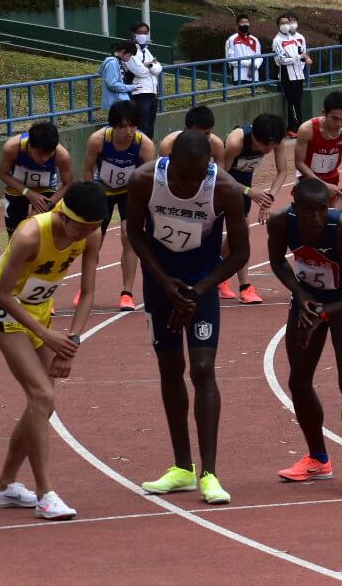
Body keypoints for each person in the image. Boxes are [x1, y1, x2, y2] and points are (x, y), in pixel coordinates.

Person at [125, 130, 251, 504]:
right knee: (169, 367)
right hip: (160, 282)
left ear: (208, 169)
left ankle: (210, 473)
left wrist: (200, 289)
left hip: (201, 284)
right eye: (181, 176)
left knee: (202, 369)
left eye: (196, 178)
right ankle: (182, 467)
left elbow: (241, 253)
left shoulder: (224, 188)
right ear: (170, 163)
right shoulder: (145, 180)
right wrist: (165, 283)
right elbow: (134, 232)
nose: (187, 184)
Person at [0, 180, 106, 521]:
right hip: (5, 315)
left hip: (40, 314)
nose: (85, 236)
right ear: (64, 215)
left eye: (93, 229)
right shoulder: (29, 235)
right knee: (42, 397)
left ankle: (6, 486)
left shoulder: (91, 235)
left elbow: (87, 291)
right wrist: (44, 334)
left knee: (43, 403)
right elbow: (3, 295)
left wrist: (72, 342)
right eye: (81, 228)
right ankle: (45, 494)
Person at [267, 177, 342, 497]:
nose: (316, 218)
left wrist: (326, 313)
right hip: (308, 300)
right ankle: (318, 459)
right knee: (298, 381)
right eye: (309, 212)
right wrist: (299, 293)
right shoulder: (280, 222)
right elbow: (277, 260)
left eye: (322, 211)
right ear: (296, 209)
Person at [81, 101, 155, 311]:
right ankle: (86, 288)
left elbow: (149, 177)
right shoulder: (98, 140)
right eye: (123, 126)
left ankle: (127, 293)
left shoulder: (144, 144)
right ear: (113, 126)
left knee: (128, 236)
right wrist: (90, 196)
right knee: (94, 239)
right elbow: (87, 169)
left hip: (129, 192)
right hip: (101, 189)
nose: (129, 131)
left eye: (133, 125)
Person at [219, 112, 284, 305]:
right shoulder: (235, 142)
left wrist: (268, 198)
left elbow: (283, 172)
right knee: (219, 234)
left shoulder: (275, 140)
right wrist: (249, 191)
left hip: (244, 185)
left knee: (239, 235)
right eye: (264, 146)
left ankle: (229, 279)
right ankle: (237, 283)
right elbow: (220, 177)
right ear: (254, 137)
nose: (268, 150)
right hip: (219, 186)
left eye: (273, 146)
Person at [280, 91, 342, 206]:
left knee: (333, 219)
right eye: (334, 118)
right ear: (324, 113)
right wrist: (324, 185)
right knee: (310, 218)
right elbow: (299, 163)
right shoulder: (307, 129)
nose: (339, 123)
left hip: (332, 178)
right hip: (307, 179)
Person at [0, 121, 73, 238]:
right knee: (15, 236)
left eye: (49, 154)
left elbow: (68, 184)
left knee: (38, 231)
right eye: (40, 153)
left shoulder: (62, 156)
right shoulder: (12, 148)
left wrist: (49, 203)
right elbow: (3, 174)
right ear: (30, 145)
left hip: (45, 190)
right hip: (16, 188)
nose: (44, 158)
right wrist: (28, 193)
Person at [273, 12, 311, 134]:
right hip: (287, 74)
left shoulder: (294, 39)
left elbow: (302, 52)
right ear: (278, 25)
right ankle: (293, 127)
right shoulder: (277, 40)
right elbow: (282, 60)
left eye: (287, 23)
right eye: (282, 23)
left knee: (298, 101)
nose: (285, 25)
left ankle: (298, 126)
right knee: (292, 102)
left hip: (298, 74)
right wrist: (298, 57)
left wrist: (305, 58)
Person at [125, 21, 162, 136]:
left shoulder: (146, 49)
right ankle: (139, 151)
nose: (143, 35)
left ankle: (148, 151)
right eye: (140, 32)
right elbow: (139, 71)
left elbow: (158, 69)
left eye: (146, 33)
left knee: (150, 126)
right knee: (142, 125)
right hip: (139, 92)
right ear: (134, 33)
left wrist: (148, 65)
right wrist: (150, 65)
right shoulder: (130, 49)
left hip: (152, 91)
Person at [158, 105, 223, 161]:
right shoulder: (169, 145)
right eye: (197, 134)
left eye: (206, 134)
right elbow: (164, 173)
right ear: (185, 130)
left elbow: (220, 172)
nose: (202, 138)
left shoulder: (216, 145)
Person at [224, 15, 264, 85]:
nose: (245, 24)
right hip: (239, 75)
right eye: (242, 22)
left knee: (254, 93)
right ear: (238, 24)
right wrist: (248, 64)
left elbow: (259, 56)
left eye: (247, 22)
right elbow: (230, 59)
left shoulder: (254, 40)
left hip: (254, 75)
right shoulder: (231, 39)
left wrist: (254, 65)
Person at [99, 40, 133, 111]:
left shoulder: (118, 62)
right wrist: (131, 87)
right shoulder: (112, 63)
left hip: (120, 102)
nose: (129, 58)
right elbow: (113, 84)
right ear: (123, 51)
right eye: (129, 55)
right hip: (117, 102)